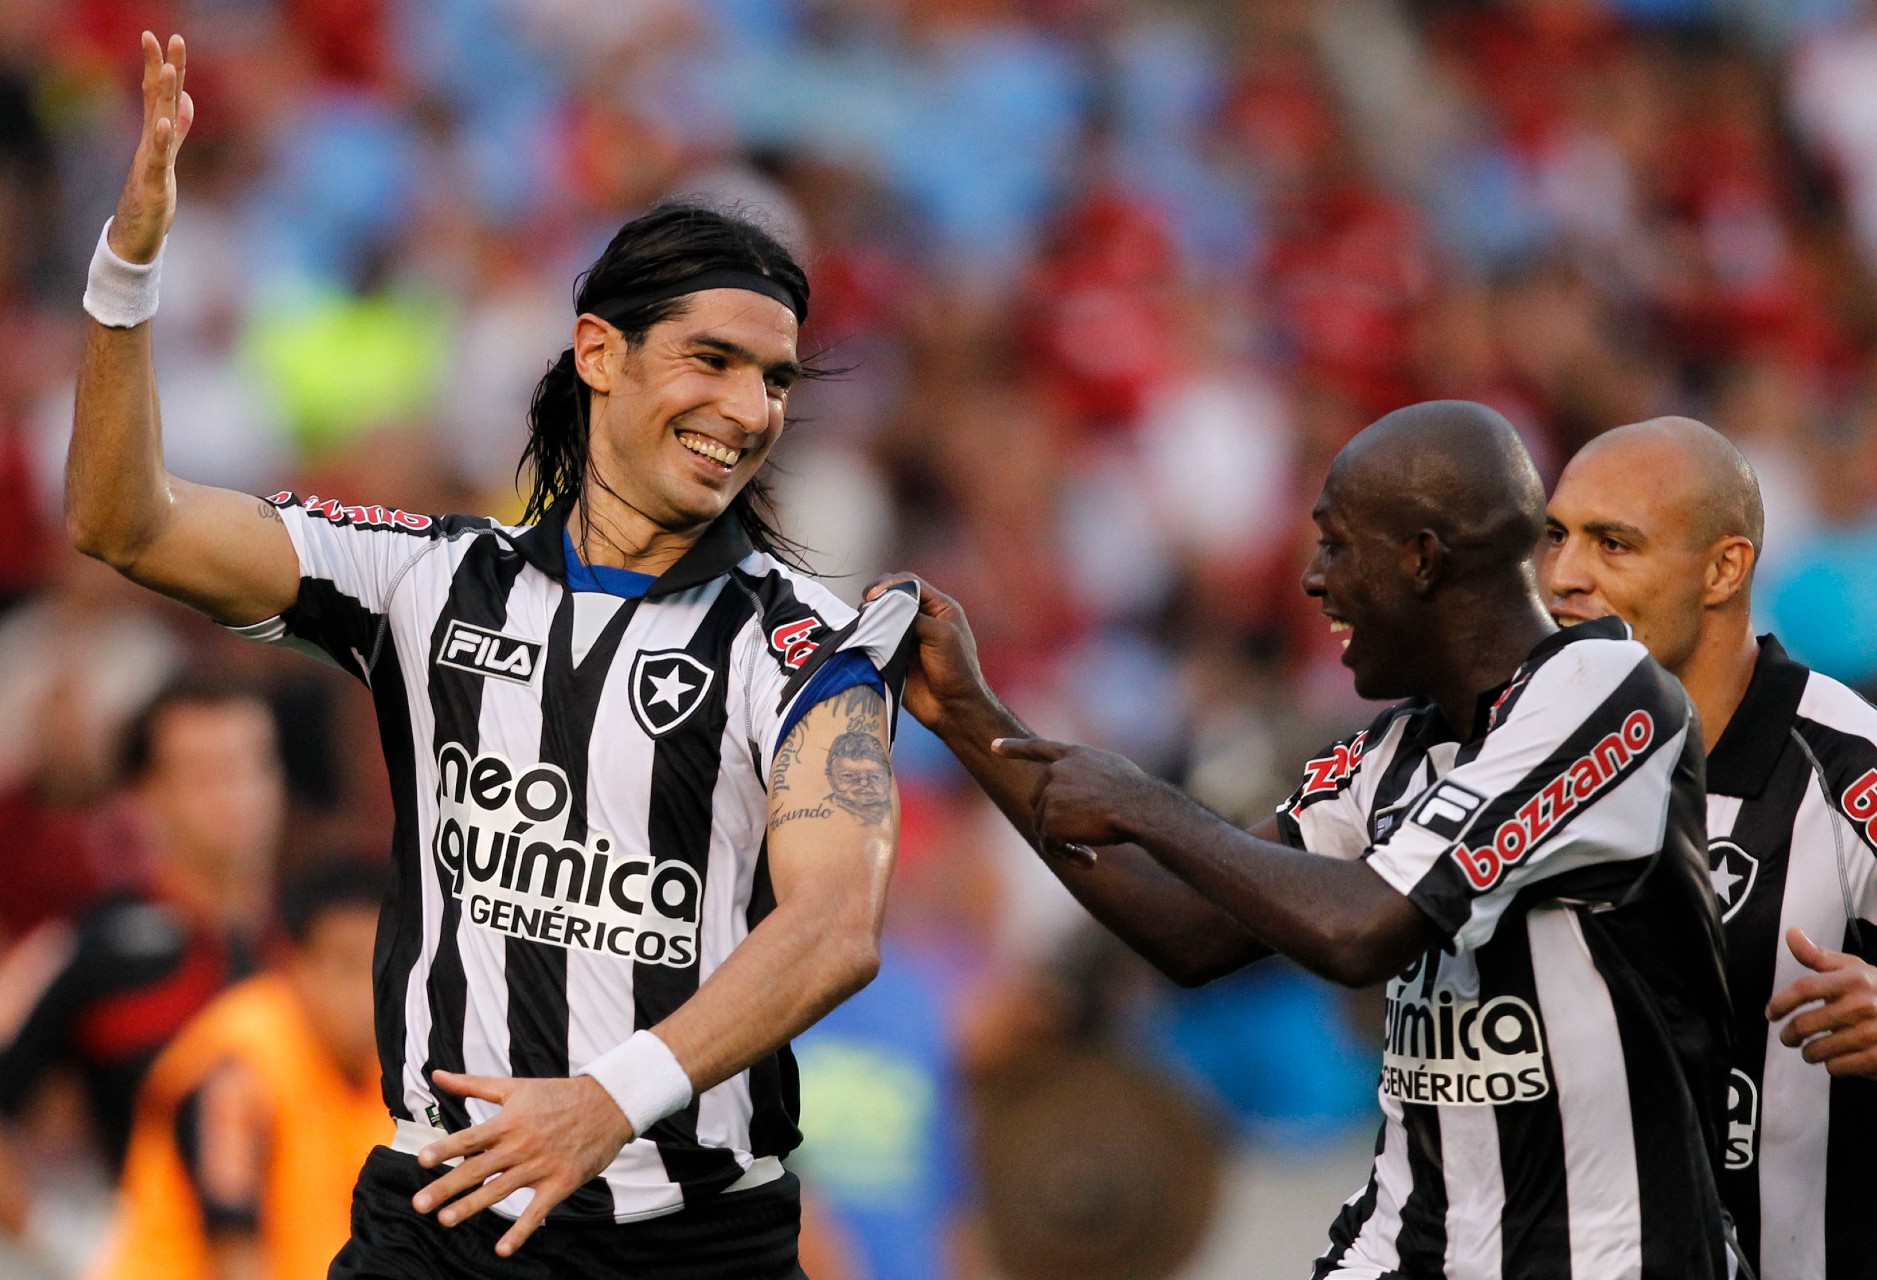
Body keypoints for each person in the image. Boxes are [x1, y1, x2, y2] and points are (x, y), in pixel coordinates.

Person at [65, 32, 917, 1277]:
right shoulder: (426, 576)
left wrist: (605, 1096)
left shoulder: (798, 647)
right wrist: (126, 268)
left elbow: (835, 925)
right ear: (597, 354)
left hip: (690, 1244)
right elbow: (118, 519)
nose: (749, 410)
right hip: (441, 1217)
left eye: (776, 380)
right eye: (713, 361)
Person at [882, 400, 1733, 1277]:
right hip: (1411, 1251)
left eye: (1334, 544)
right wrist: (965, 717)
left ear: (1420, 558)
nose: (1313, 579)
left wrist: (1146, 803)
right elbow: (1187, 928)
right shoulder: (1391, 751)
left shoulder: (1601, 689)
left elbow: (1361, 928)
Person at [1543, 416, 1877, 1279]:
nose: (1562, 576)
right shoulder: (1514, 758)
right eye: (1555, 537)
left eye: (1611, 544)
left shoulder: (1844, 766)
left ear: (1724, 569)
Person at [0, 675, 283, 1253]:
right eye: (205, 774)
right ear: (147, 795)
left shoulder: (329, 940)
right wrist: (59, 1243)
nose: (235, 793)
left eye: (251, 765)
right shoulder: (94, 945)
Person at [92, 857, 389, 1280]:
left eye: (379, 967)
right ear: (294, 960)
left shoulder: (389, 1067)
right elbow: (233, 1253)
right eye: (345, 965)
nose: (365, 995)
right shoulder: (239, 1062)